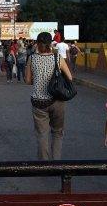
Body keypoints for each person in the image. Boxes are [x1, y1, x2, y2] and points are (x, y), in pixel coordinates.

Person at [25, 32, 73, 160]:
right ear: (51, 43)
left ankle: (44, 164)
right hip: (57, 100)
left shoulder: (32, 58)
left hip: (38, 102)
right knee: (57, 132)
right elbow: (70, 77)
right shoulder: (57, 58)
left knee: (42, 134)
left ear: (37, 43)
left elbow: (28, 80)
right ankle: (56, 162)